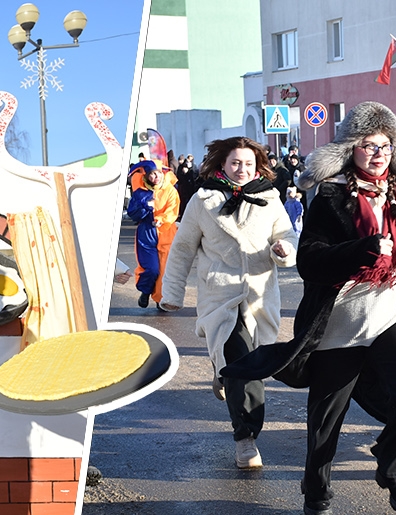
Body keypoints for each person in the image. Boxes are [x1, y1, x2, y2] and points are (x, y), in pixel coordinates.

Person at [221, 102, 396, 515]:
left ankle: (393, 468)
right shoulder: (330, 195)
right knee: (325, 423)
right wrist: (360, 250)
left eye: (385, 145)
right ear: (350, 150)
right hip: (340, 322)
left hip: (392, 315)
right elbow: (311, 260)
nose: (378, 153)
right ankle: (316, 491)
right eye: (368, 145)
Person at [159, 136, 298, 470]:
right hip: (220, 296)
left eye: (248, 164)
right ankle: (246, 439)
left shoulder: (269, 198)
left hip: (259, 295)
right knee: (242, 364)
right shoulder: (202, 201)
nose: (241, 169)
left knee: (252, 364)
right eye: (236, 163)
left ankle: (222, 376)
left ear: (257, 166)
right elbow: (181, 250)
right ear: (222, 164)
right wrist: (172, 295)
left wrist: (284, 250)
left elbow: (287, 234)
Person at [127, 160, 180, 308]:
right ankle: (145, 291)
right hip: (146, 234)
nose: (155, 177)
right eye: (151, 174)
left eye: (157, 173)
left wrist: (161, 219)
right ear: (146, 177)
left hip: (166, 232)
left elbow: (173, 210)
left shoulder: (170, 190)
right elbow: (133, 214)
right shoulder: (140, 193)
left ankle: (159, 299)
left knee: (164, 270)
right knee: (151, 268)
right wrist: (144, 208)